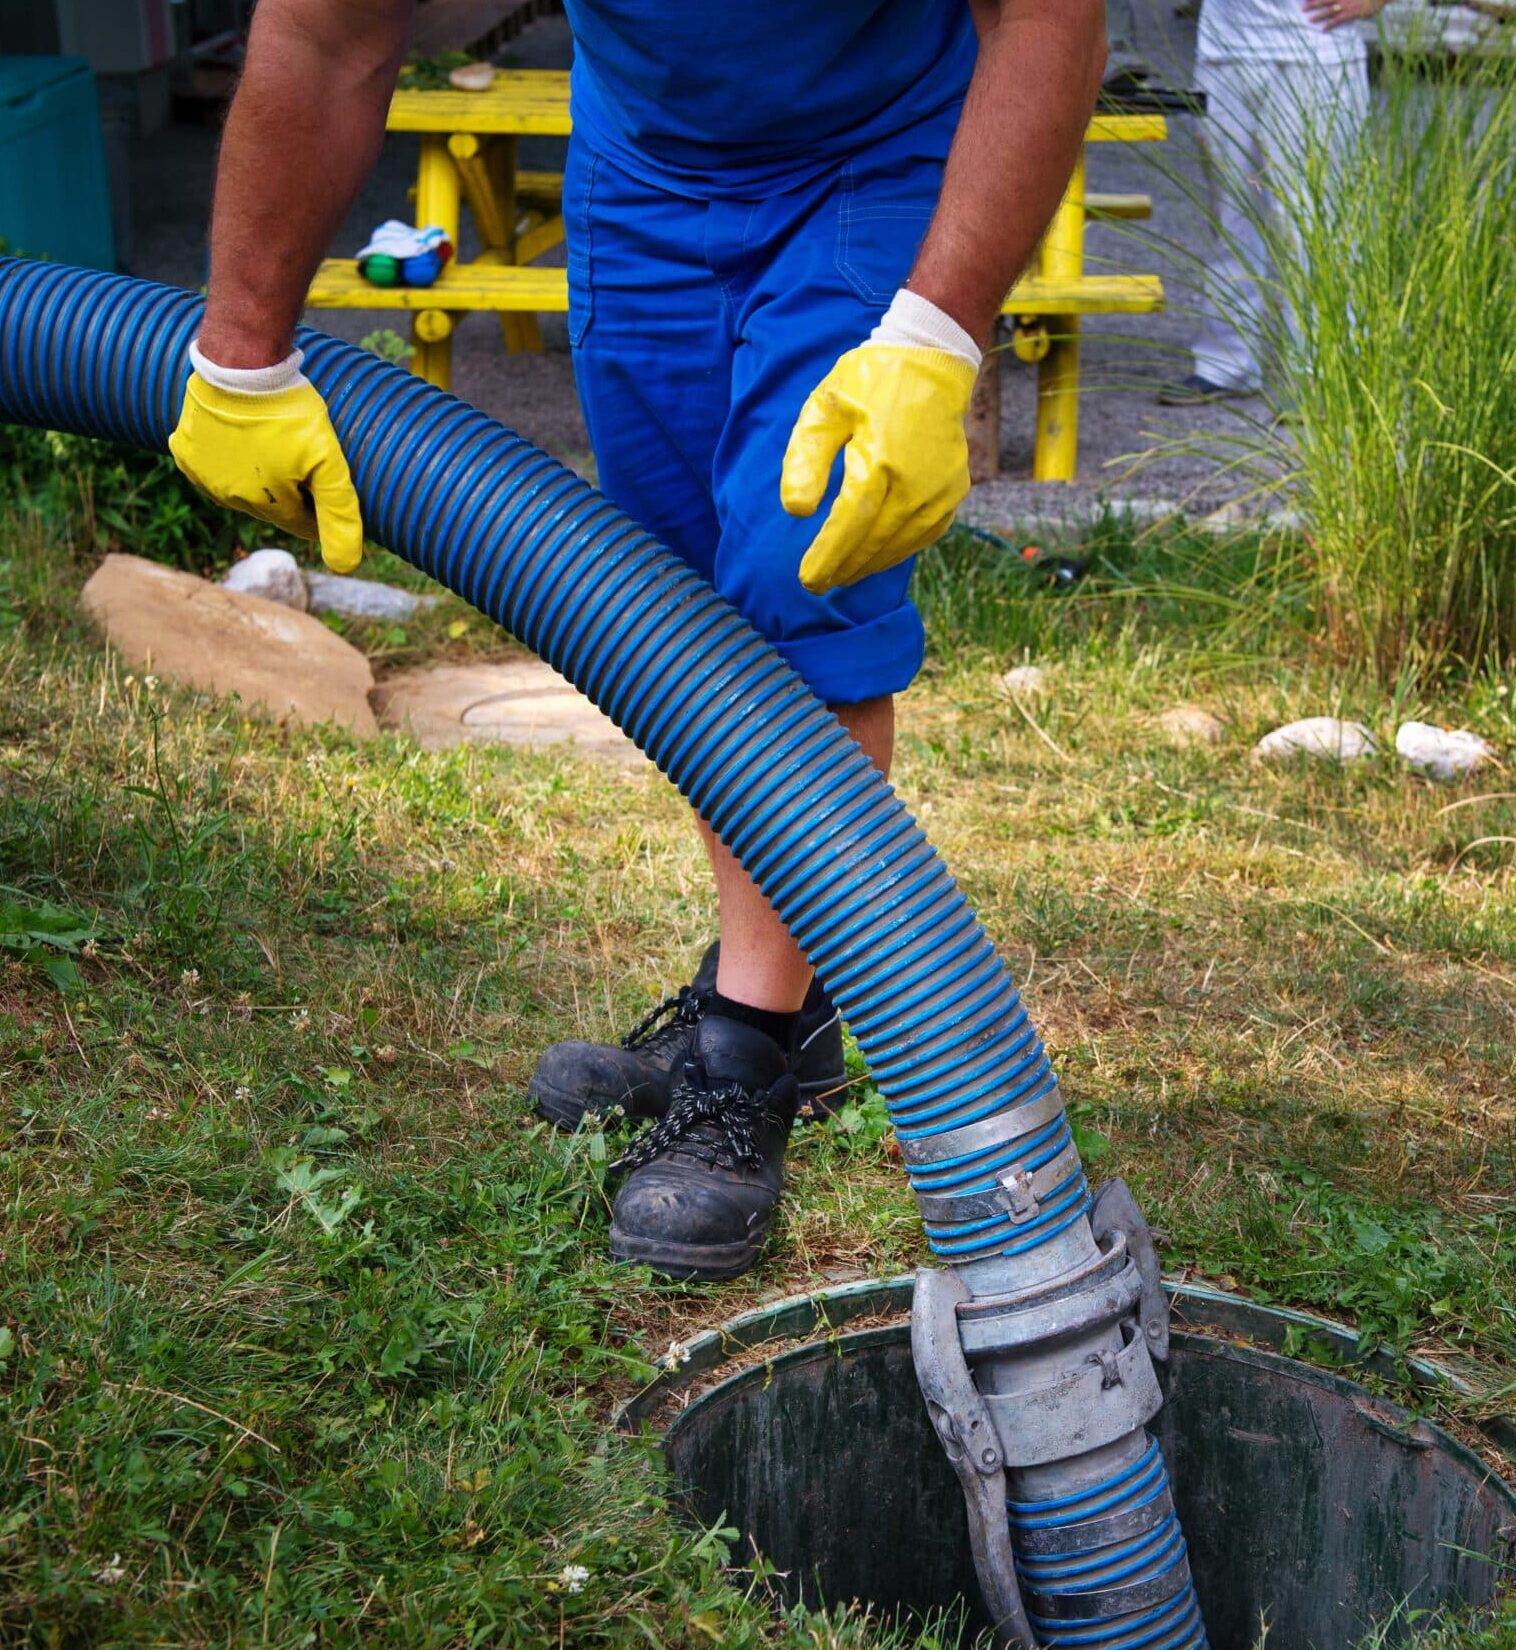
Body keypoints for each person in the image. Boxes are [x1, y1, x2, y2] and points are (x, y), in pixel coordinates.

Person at [168, 0, 1107, 1280]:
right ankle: (777, 994)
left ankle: (743, 1057)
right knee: (676, 611)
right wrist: (238, 350)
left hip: (875, 151)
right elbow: (327, 35)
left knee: (797, 572)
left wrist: (936, 338)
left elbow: (1048, 14)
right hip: (644, 163)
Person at [1158, 0, 1384, 405]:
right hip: (1223, 50)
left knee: (1316, 222)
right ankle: (1226, 363)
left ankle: (1324, 371)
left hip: (1318, 54)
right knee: (1229, 217)